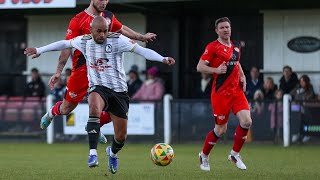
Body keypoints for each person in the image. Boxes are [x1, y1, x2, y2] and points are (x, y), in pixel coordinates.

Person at [24, 16, 175, 173]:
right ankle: (92, 154)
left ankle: (112, 152)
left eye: (105, 31)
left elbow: (142, 51)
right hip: (98, 87)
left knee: (121, 137)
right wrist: (39, 50)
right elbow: (63, 43)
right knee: (94, 108)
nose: (103, 35)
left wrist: (162, 59)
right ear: (91, 30)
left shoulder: (118, 40)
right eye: (99, 31)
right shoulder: (84, 40)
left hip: (119, 91)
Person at [37, 0, 157, 141]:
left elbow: (121, 28)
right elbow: (66, 46)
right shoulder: (78, 20)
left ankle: (94, 125)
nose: (104, 2)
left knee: (119, 107)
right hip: (82, 72)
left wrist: (141, 37)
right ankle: (51, 113)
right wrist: (58, 71)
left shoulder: (108, 16)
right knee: (66, 109)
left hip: (103, 72)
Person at [196, 17, 252, 171]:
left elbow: (236, 62)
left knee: (246, 121)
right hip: (221, 93)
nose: (226, 30)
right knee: (221, 130)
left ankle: (234, 154)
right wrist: (215, 70)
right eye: (222, 28)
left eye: (227, 27)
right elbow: (199, 67)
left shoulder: (235, 46)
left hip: (237, 92)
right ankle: (204, 155)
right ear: (217, 31)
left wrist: (242, 75)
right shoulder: (213, 47)